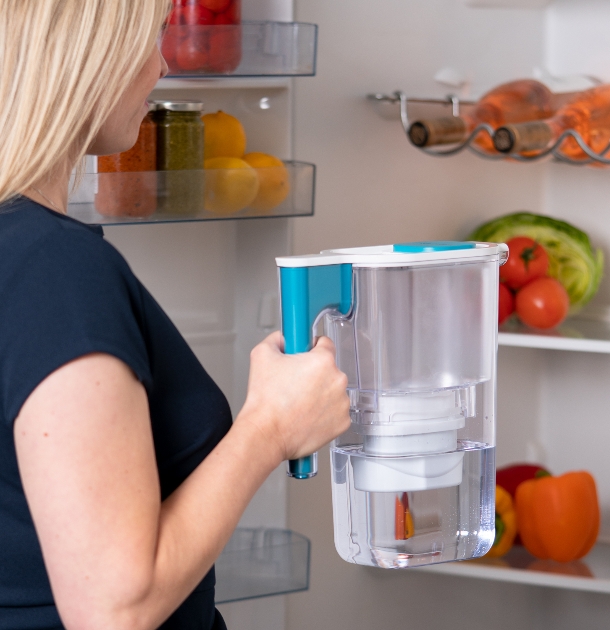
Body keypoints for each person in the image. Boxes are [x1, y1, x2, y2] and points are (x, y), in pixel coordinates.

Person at [0, 2, 350, 629]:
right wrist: (270, 427)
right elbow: (114, 609)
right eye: (149, 38)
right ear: (87, 57)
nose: (160, 64)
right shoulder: (55, 266)